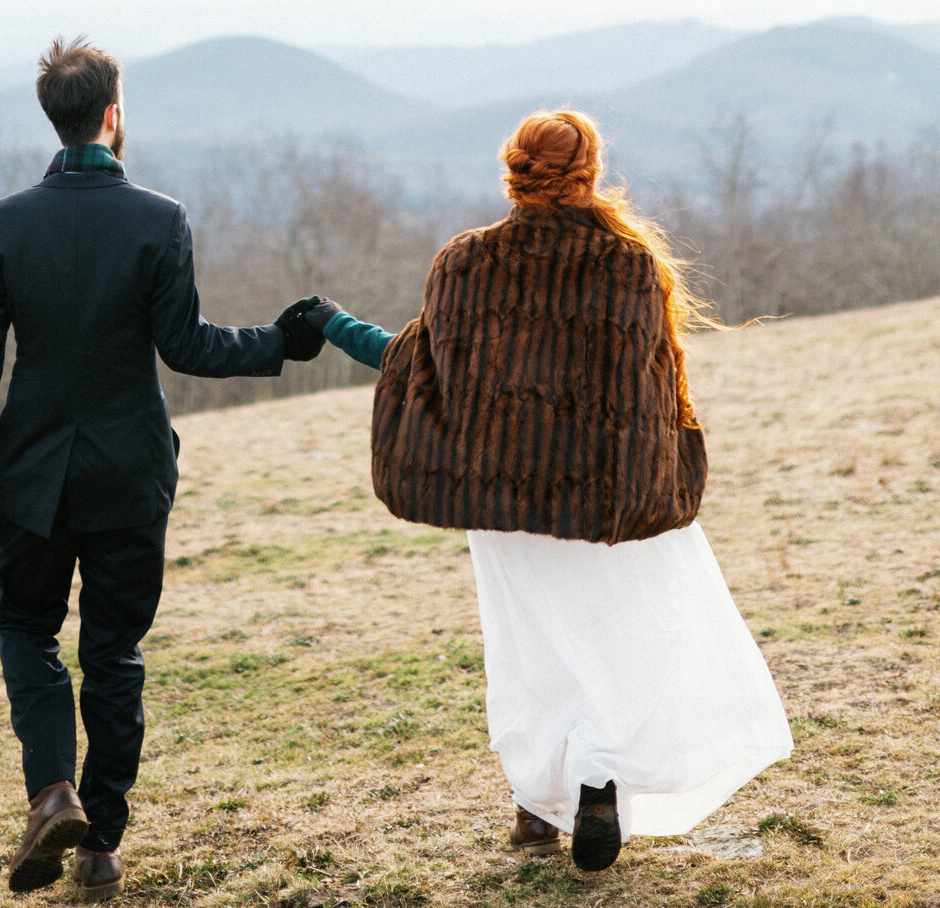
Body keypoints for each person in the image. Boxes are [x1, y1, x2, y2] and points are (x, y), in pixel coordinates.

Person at [288, 109, 792, 874]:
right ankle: (594, 781)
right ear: (589, 172)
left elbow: (418, 367)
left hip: (502, 500)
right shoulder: (629, 266)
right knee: (611, 638)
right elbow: (657, 391)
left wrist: (334, 323)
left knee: (529, 647)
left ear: (513, 172)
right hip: (603, 499)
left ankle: (535, 809)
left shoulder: (464, 263)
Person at [0, 38, 323, 900]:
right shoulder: (159, 218)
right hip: (129, 478)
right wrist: (282, 341)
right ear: (112, 115)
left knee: (27, 630)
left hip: (34, 476)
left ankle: (51, 792)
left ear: (58, 116)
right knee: (114, 654)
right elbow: (185, 347)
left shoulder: (1, 225)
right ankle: (100, 844)